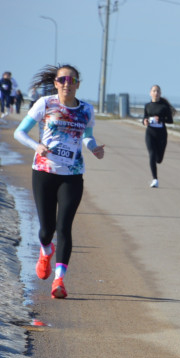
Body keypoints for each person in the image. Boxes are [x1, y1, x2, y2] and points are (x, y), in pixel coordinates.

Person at [13, 64, 105, 299]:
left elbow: (87, 137)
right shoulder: (45, 103)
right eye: (62, 79)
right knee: (46, 230)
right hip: (44, 172)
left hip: (72, 175)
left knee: (64, 227)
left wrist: (94, 148)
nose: (67, 83)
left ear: (77, 84)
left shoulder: (86, 110)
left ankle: (59, 281)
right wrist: (37, 146)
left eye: (71, 80)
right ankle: (46, 251)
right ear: (56, 83)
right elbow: (19, 132)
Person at [142, 84, 175, 188]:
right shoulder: (147, 106)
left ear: (160, 94)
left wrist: (160, 120)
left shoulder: (164, 107)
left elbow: (170, 120)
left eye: (158, 91)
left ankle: (157, 162)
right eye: (154, 91)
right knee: (151, 154)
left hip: (161, 135)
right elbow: (144, 118)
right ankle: (155, 179)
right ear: (150, 93)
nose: (156, 93)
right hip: (150, 133)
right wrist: (145, 121)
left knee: (158, 159)